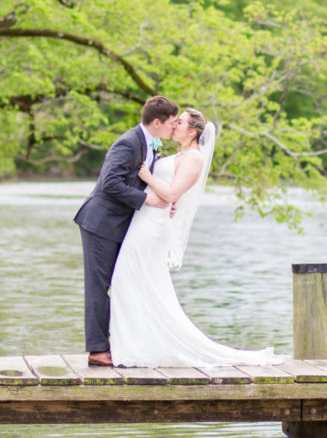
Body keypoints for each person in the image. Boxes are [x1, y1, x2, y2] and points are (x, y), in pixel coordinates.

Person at [107, 108, 278, 368]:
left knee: (128, 279)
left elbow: (172, 193)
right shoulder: (181, 154)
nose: (175, 124)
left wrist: (148, 176)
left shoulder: (194, 159)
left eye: (181, 121)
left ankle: (136, 348)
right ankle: (136, 345)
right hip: (145, 221)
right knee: (134, 281)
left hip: (153, 227)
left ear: (193, 131)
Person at [74, 96, 179, 367]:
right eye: (171, 123)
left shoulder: (149, 142)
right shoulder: (128, 142)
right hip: (100, 222)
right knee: (99, 286)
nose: (174, 128)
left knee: (121, 283)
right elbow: (110, 183)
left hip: (120, 224)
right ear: (156, 122)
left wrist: (162, 200)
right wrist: (147, 200)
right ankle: (97, 350)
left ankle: (119, 343)